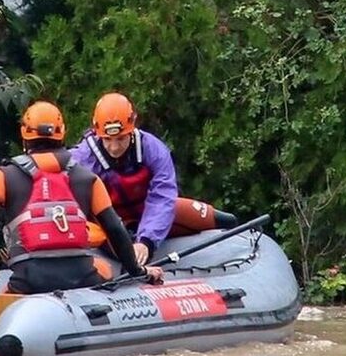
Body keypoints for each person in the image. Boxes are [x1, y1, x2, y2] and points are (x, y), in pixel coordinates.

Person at [0, 101, 164, 294]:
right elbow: (115, 228)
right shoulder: (88, 178)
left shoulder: (4, 175)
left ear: (25, 135)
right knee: (104, 268)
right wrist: (138, 271)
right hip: (82, 277)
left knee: (1, 299)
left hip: (29, 280)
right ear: (62, 133)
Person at [71, 92, 238, 266]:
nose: (114, 147)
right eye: (108, 140)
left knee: (223, 220)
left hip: (147, 211)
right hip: (108, 222)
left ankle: (245, 243)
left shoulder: (153, 149)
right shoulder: (82, 158)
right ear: (98, 134)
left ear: (131, 128)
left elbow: (163, 196)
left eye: (120, 139)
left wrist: (146, 241)